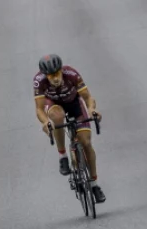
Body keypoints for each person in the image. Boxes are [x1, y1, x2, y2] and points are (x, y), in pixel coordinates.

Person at [33, 54, 105, 204]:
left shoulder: (71, 74)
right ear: (45, 75)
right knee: (57, 117)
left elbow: (87, 97)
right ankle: (63, 156)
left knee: (86, 142)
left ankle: (94, 185)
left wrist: (92, 110)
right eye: (51, 75)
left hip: (74, 103)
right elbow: (39, 109)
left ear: (61, 70)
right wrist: (46, 122)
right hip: (53, 104)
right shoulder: (39, 81)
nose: (55, 78)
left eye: (57, 73)